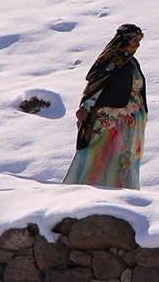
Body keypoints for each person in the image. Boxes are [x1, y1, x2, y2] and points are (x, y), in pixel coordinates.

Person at [62, 24, 147, 189]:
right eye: (134, 40)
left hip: (128, 121)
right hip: (108, 119)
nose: (137, 44)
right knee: (99, 155)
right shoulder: (110, 61)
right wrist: (86, 107)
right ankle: (90, 188)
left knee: (124, 157)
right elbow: (95, 86)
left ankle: (122, 189)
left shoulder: (132, 63)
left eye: (138, 40)